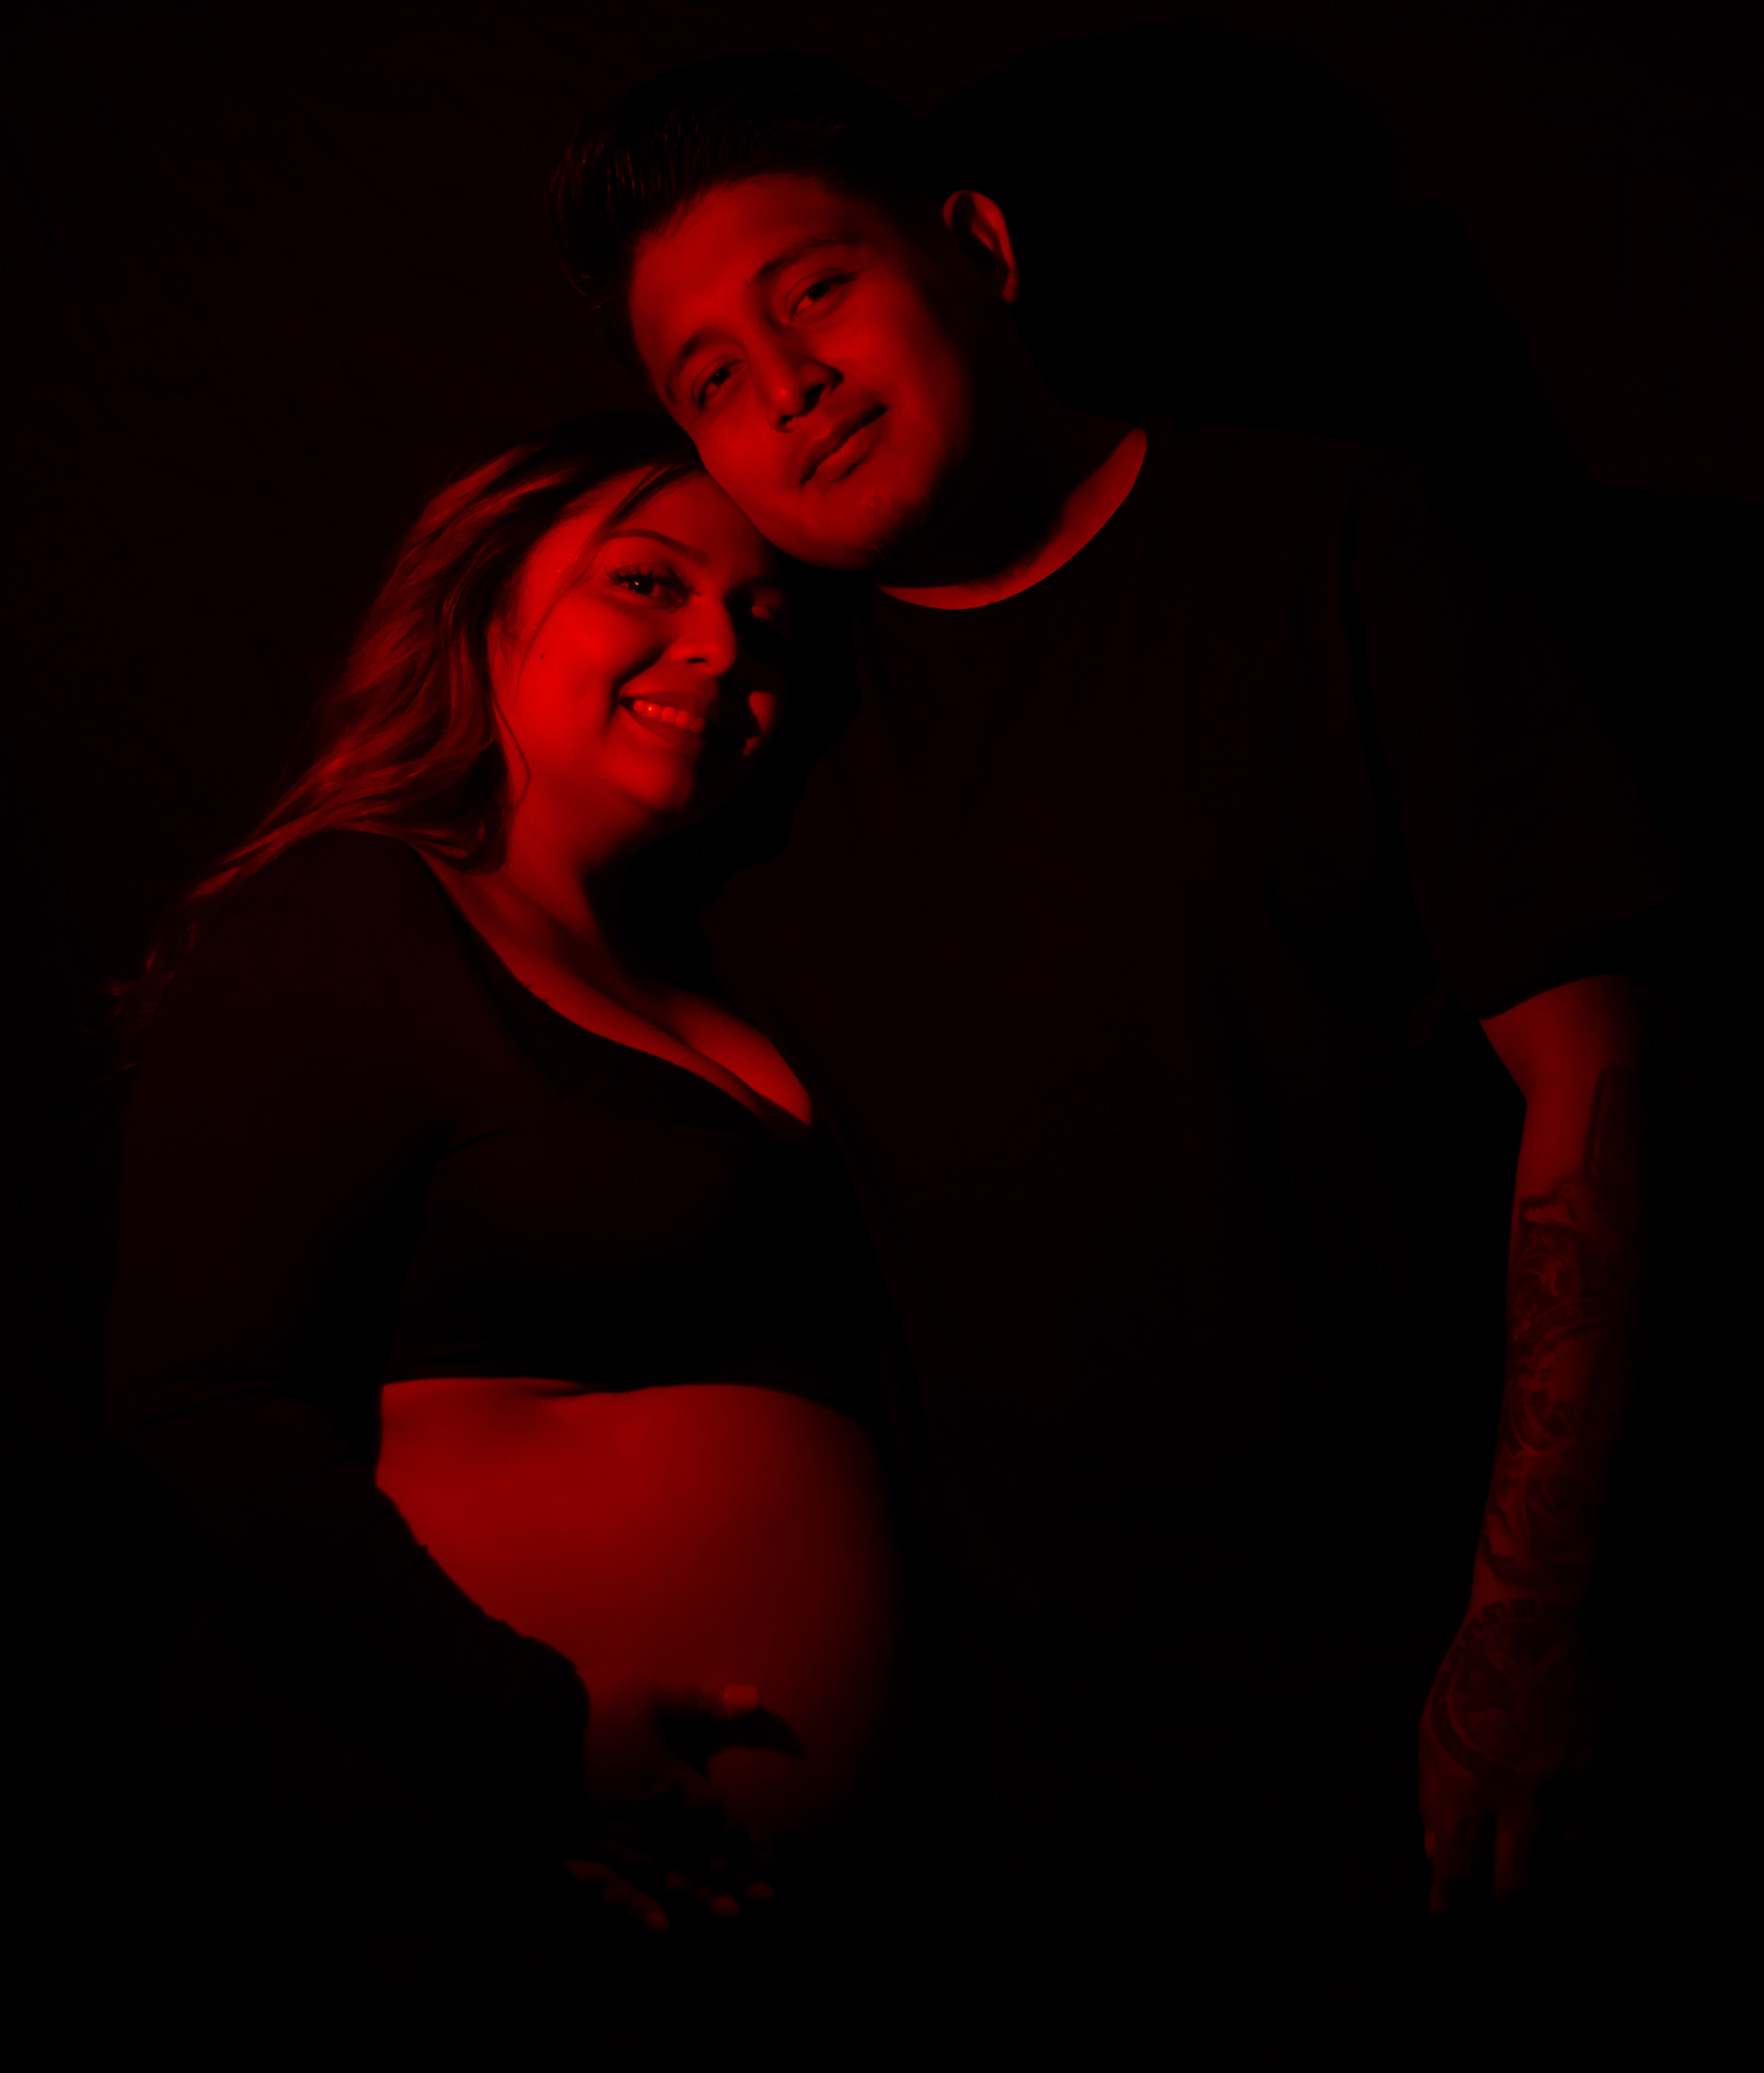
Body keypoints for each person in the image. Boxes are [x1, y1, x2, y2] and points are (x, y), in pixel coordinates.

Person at [548, 52, 1683, 2061]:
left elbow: (1607, 1074)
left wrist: (1528, 1632)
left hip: (1411, 1733)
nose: (785, 384)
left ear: (977, 250)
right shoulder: (744, 713)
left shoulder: (1336, 545)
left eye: (814, 290)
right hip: (1007, 1800)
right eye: (709, 375)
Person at [103, 411, 920, 2061]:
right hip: (454, 1857)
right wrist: (534, 1733)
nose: (721, 644)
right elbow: (195, 1397)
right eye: (649, 582)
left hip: (770, 1946)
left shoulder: (728, 972)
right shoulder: (352, 912)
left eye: (766, 619)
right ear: (483, 606)